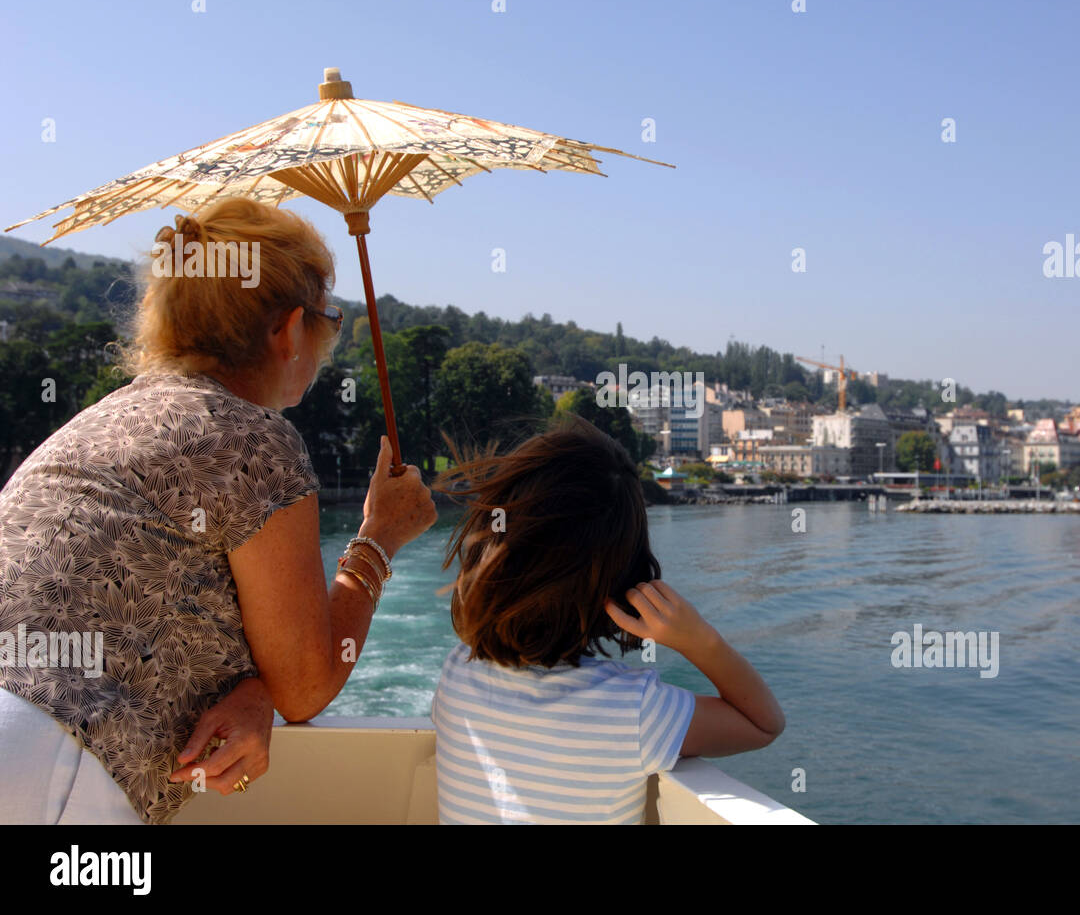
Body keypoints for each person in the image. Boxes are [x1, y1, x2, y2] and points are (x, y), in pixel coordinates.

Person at [0, 198, 437, 824]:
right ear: (288, 330)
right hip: (49, 759)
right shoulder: (254, 438)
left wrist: (252, 686)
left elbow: (160, 599)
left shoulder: (97, 423)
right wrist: (378, 537)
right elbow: (308, 685)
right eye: (328, 321)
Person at [430, 417, 784, 824]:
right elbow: (763, 724)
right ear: (626, 583)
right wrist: (698, 639)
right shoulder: (635, 711)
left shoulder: (457, 674)